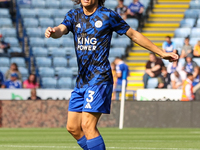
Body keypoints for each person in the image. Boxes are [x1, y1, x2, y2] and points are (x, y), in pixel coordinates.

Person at [45, 0, 178, 149]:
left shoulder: (107, 15)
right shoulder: (73, 15)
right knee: (73, 127)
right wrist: (53, 31)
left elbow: (133, 34)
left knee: (87, 124)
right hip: (82, 80)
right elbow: (60, 30)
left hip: (100, 78)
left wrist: (160, 53)